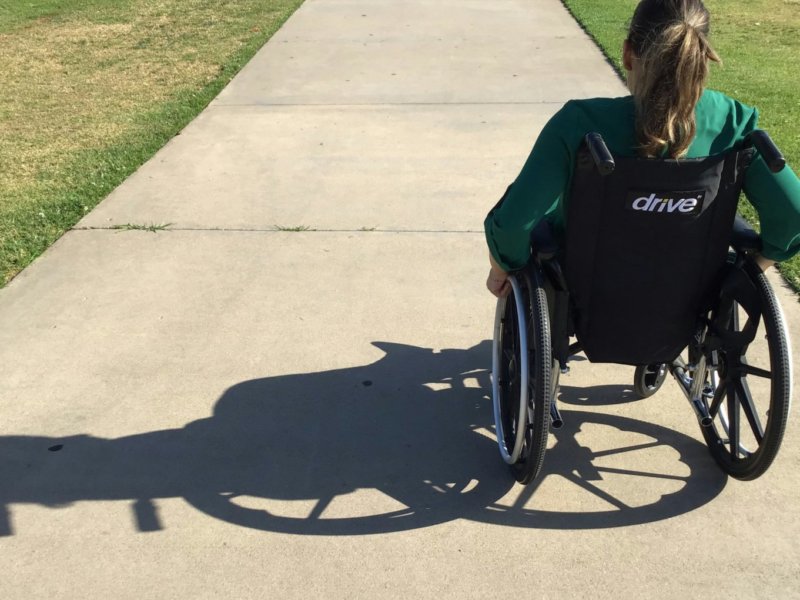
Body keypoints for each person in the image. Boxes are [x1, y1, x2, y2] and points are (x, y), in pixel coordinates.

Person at [485, 0, 800, 298]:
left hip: (584, 300)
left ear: (627, 54)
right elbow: (794, 215)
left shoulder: (579, 124)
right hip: (693, 305)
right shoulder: (732, 124)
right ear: (702, 59)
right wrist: (755, 266)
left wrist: (502, 269)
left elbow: (512, 226)